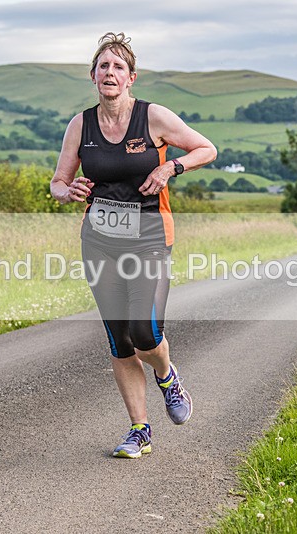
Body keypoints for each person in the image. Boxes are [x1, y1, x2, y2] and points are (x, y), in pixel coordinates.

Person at [50, 32, 217, 458]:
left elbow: (206, 148)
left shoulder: (153, 117)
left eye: (118, 67)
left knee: (145, 331)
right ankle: (139, 430)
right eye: (103, 66)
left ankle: (167, 376)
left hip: (149, 237)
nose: (110, 73)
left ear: (131, 78)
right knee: (120, 339)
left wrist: (170, 168)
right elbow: (58, 181)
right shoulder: (80, 124)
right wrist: (67, 191)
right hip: (99, 241)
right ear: (93, 76)